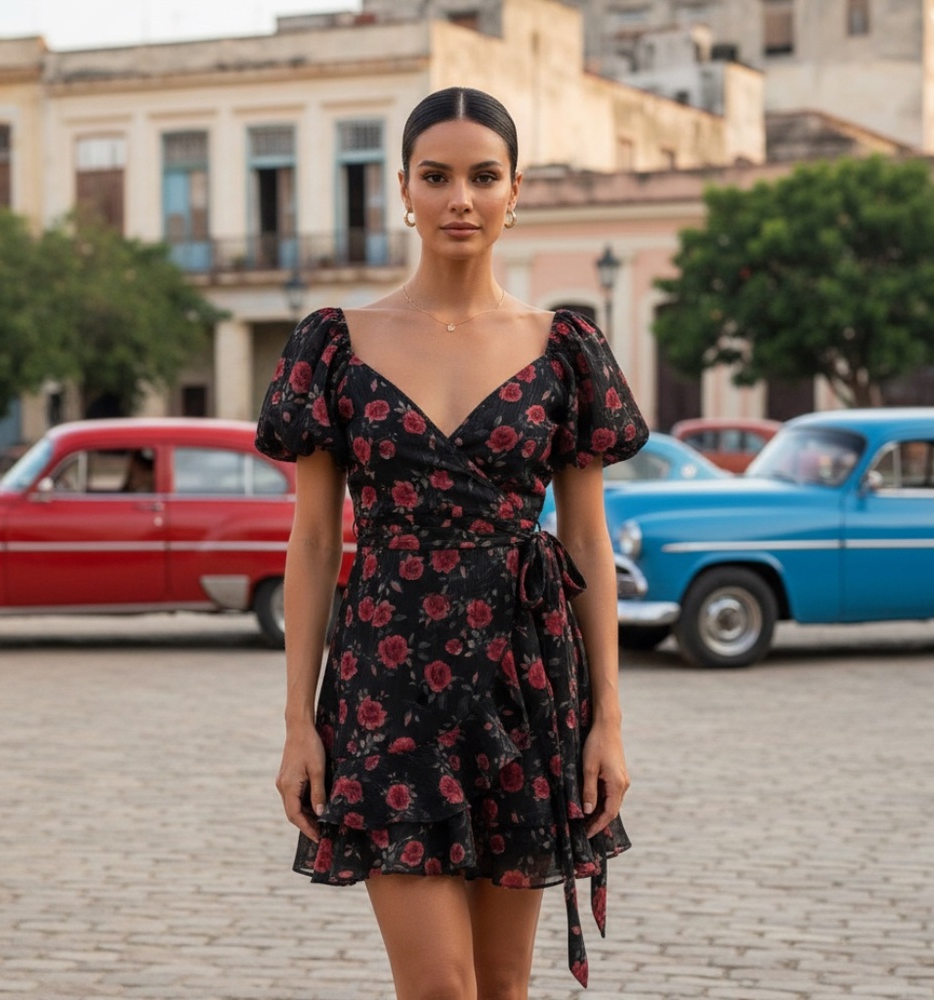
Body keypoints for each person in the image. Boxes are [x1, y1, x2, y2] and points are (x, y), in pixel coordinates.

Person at [255, 87, 649, 998]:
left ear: (517, 193)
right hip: (388, 687)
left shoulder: (564, 350)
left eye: (483, 177)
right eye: (436, 177)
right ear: (403, 190)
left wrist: (610, 725)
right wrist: (297, 726)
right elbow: (315, 545)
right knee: (439, 988)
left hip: (526, 682)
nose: (459, 199)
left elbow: (585, 540)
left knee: (505, 988)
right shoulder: (336, 346)